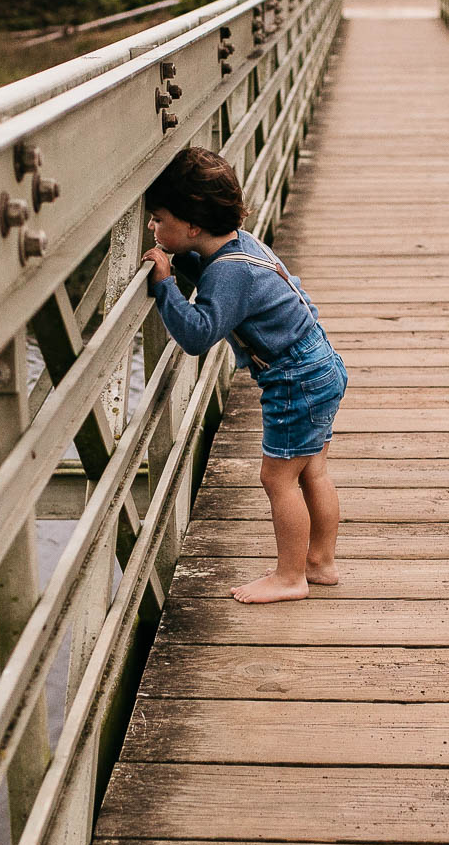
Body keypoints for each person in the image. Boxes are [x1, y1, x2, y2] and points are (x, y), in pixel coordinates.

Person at [141, 147, 347, 604]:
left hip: (296, 379)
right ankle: (321, 562)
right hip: (319, 363)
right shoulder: (237, 246)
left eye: (158, 219)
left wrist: (163, 285)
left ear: (192, 225)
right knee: (311, 469)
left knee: (277, 479)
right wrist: (181, 262)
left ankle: (290, 577)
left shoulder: (230, 275)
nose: (152, 229)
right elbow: (215, 277)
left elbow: (198, 334)